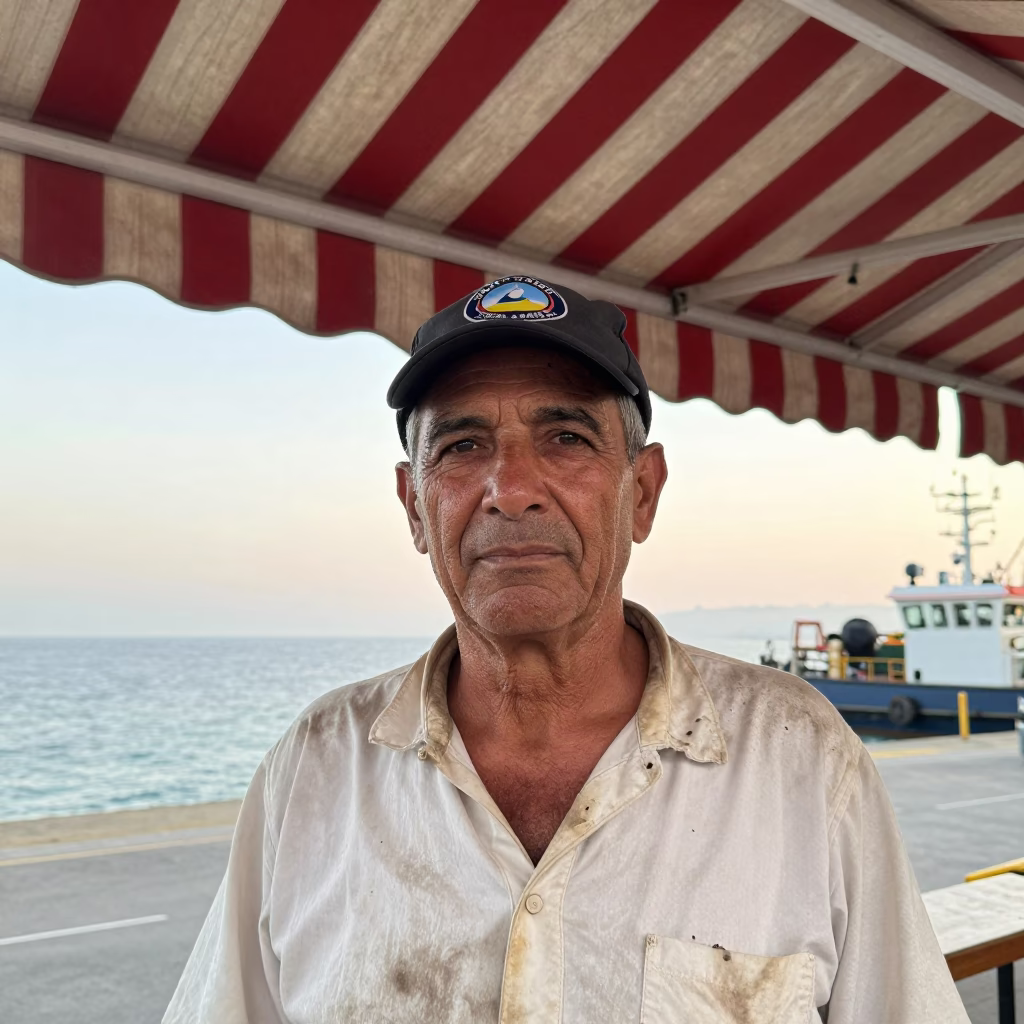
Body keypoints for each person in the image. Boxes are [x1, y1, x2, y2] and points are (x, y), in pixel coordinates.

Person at [164, 277, 968, 1023]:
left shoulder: (800, 760)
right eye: (462, 445)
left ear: (642, 492)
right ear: (414, 506)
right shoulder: (313, 771)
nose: (511, 488)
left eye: (567, 437)